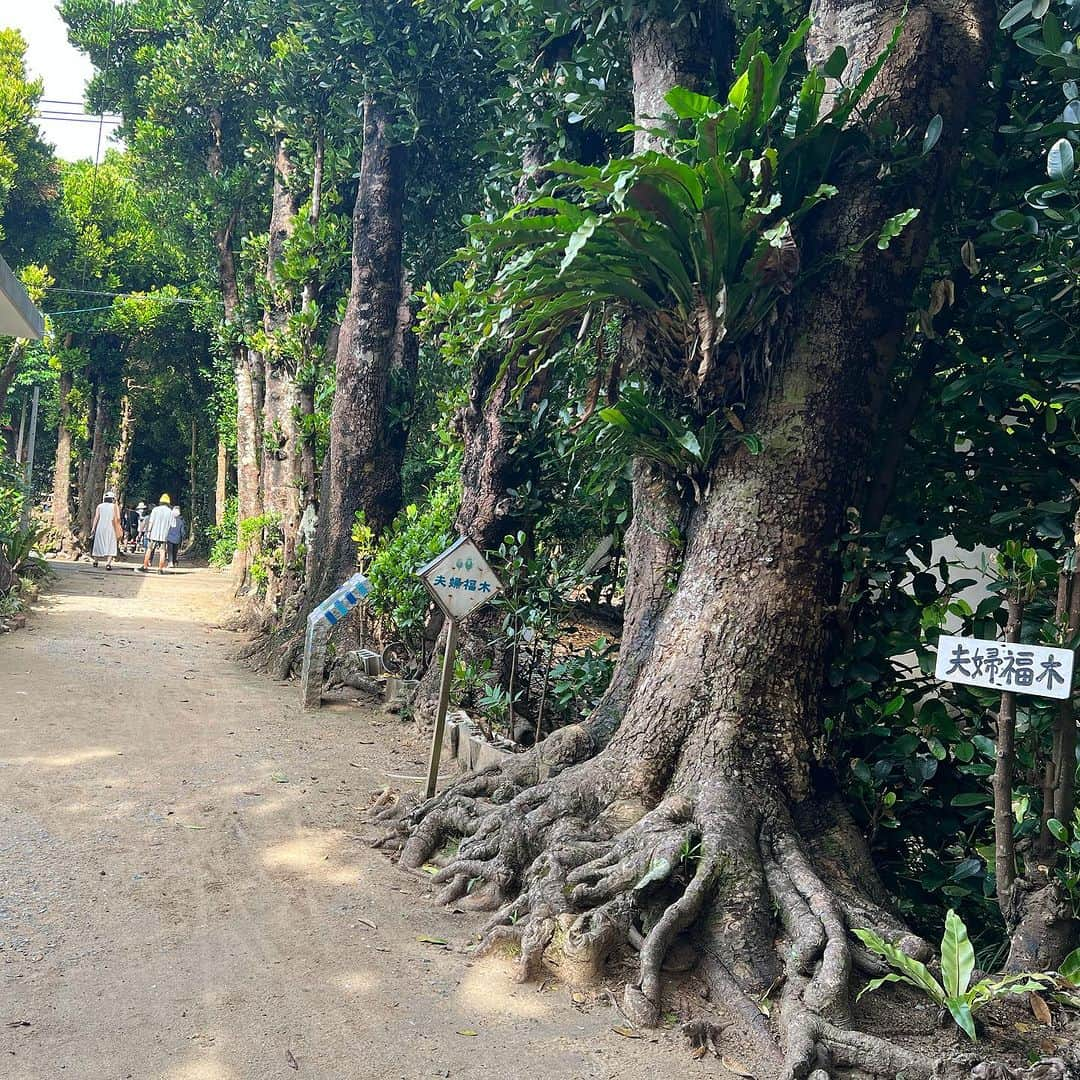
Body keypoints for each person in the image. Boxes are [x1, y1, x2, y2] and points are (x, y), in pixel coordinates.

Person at [139, 494, 174, 575]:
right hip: (163, 535)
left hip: (153, 534)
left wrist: (148, 532)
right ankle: (160, 569)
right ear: (168, 503)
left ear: (160, 502)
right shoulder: (170, 512)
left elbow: (151, 522)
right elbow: (172, 525)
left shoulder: (155, 510)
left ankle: (145, 566)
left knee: (149, 549)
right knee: (162, 551)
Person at [90, 490, 123, 570]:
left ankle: (95, 561)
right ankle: (108, 564)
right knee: (111, 544)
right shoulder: (114, 507)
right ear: (112, 499)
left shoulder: (99, 506)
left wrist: (93, 528)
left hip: (100, 527)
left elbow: (96, 517)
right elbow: (118, 518)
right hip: (111, 528)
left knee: (98, 543)